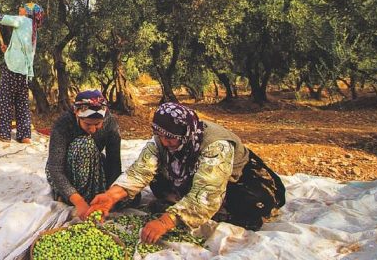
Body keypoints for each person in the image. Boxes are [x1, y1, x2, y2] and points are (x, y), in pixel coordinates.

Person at [87, 102, 285, 243]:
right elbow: (139, 172)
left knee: (249, 206)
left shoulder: (216, 145)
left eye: (171, 138)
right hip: (193, 176)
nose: (165, 142)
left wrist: (166, 221)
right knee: (157, 181)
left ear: (186, 132)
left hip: (240, 179)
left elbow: (208, 192)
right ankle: (184, 206)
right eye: (160, 136)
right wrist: (110, 197)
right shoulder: (161, 141)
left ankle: (190, 209)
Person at [45, 90, 129, 219]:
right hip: (66, 170)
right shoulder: (63, 124)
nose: (93, 129)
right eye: (88, 124)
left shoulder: (110, 123)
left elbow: (114, 162)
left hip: (93, 163)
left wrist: (111, 196)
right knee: (84, 143)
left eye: (97, 124)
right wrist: (79, 201)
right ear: (77, 115)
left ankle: (93, 196)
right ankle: (71, 196)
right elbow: (55, 169)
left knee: (130, 197)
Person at [0, 0, 45, 143]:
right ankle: (24, 136)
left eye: (24, 7)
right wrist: (8, 50)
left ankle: (4, 134)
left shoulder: (21, 20)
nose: (21, 7)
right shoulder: (33, 29)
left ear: (28, 13)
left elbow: (0, 18)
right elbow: (24, 48)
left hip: (12, 68)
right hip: (24, 72)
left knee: (6, 100)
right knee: (21, 102)